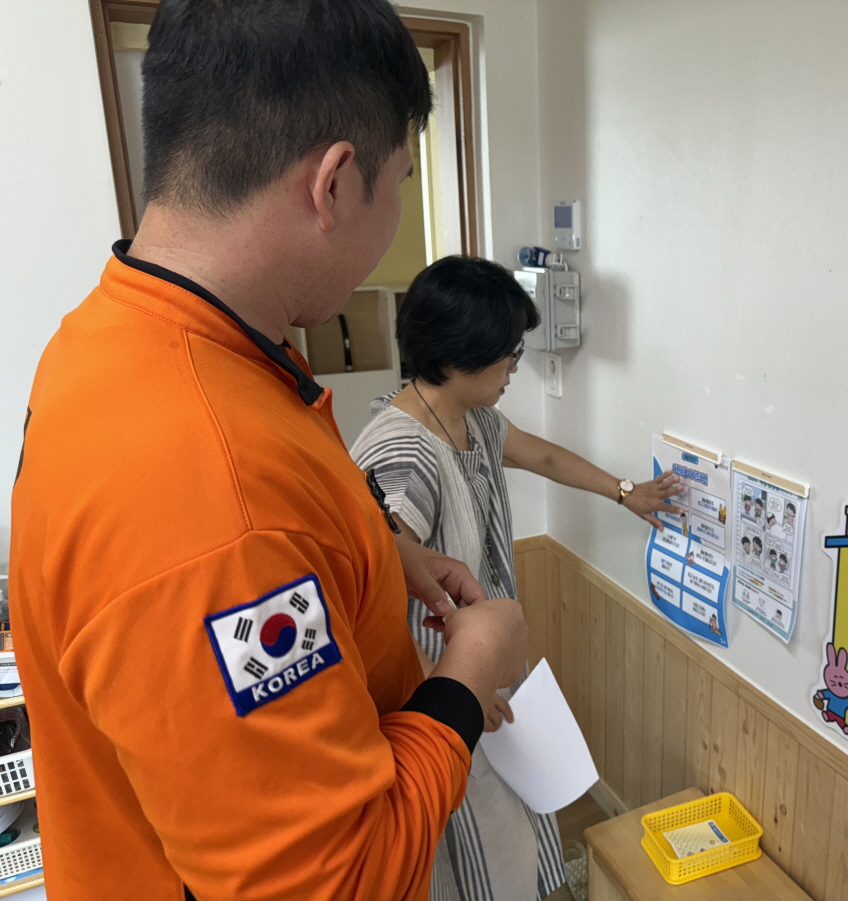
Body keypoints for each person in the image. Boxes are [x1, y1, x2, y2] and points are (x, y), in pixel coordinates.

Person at [10, 3, 528, 899]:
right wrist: (468, 672)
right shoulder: (210, 495)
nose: (395, 215)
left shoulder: (116, 337)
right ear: (333, 183)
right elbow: (341, 881)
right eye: (398, 181)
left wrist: (379, 553)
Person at [350, 256, 683, 901]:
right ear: (456, 357)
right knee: (473, 849)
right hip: (438, 687)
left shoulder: (470, 418)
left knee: (515, 827)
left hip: (481, 673)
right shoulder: (404, 452)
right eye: (507, 355)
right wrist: (454, 685)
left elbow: (544, 456)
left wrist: (626, 492)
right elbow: (374, 592)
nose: (514, 368)